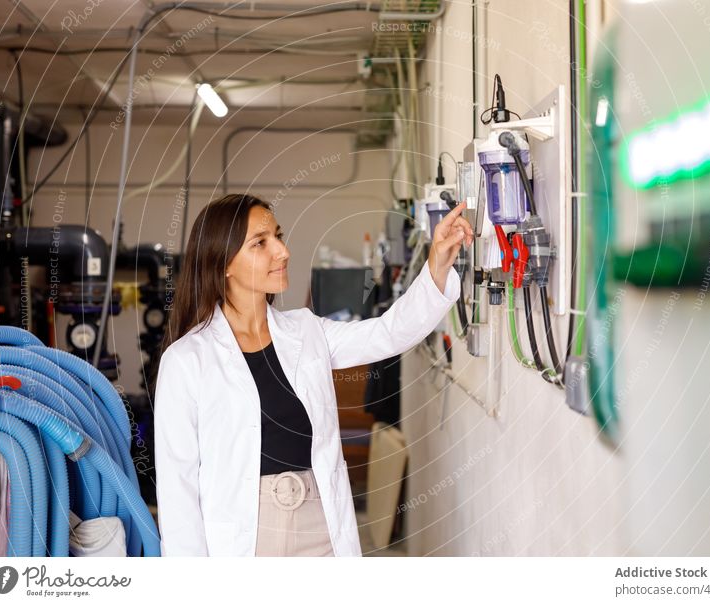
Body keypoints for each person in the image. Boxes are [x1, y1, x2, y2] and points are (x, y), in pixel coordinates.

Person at [154, 193, 473, 556]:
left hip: (320, 520)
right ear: (222, 263)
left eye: (279, 236)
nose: (282, 251)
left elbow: (388, 333)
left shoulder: (305, 332)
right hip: (245, 536)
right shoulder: (187, 360)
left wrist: (437, 266)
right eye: (260, 243)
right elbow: (177, 488)